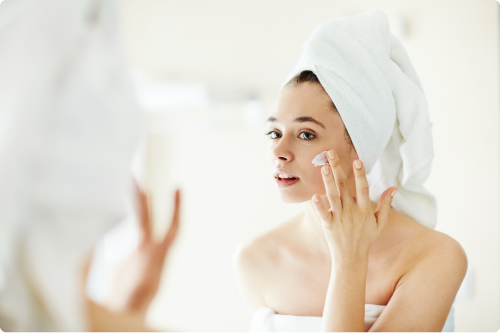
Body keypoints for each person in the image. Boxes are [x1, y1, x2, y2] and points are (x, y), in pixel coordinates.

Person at [235, 10, 467, 333]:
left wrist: (349, 261)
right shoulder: (255, 261)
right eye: (274, 133)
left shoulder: (436, 257)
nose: (278, 152)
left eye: (306, 134)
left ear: (359, 147)